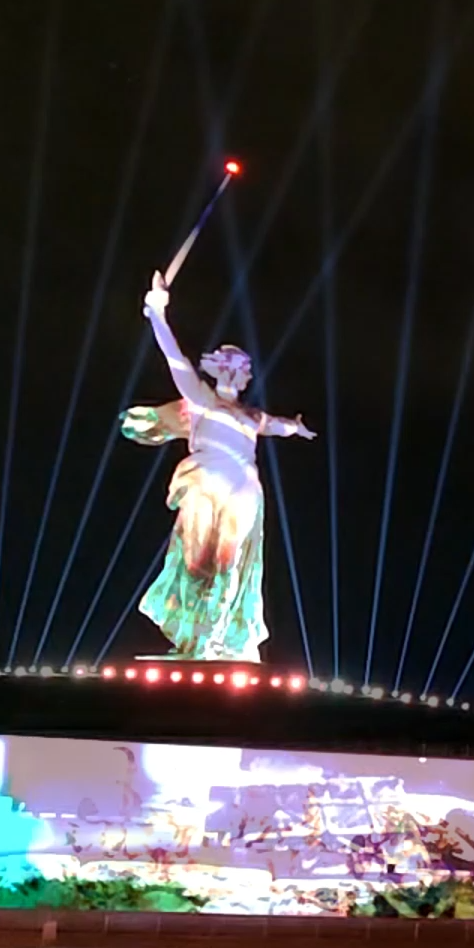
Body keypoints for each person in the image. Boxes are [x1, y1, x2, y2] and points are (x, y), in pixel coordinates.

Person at [123, 272, 317, 663]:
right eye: (239, 366)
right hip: (207, 480)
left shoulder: (250, 414)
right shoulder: (202, 399)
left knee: (230, 564)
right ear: (224, 368)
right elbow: (176, 361)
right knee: (197, 560)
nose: (244, 374)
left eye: (245, 369)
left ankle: (217, 637)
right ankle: (194, 637)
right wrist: (157, 313)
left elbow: (276, 425)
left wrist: (295, 427)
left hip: (244, 489)